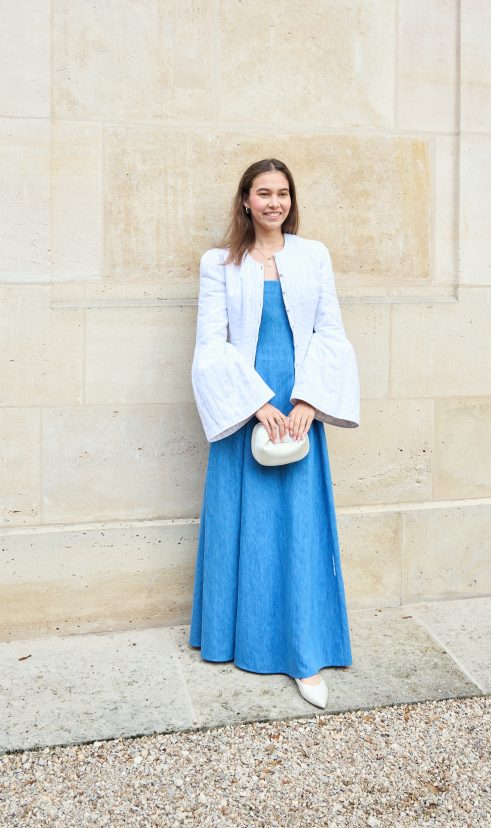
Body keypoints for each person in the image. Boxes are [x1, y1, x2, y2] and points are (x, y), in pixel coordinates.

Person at [188, 158, 361, 709]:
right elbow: (211, 344)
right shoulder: (219, 263)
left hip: (301, 400)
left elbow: (329, 331)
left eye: (282, 193)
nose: (274, 203)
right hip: (247, 403)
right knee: (249, 527)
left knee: (298, 527)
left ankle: (305, 652)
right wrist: (259, 404)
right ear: (245, 200)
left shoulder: (314, 256)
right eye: (263, 193)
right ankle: (235, 639)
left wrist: (307, 400)